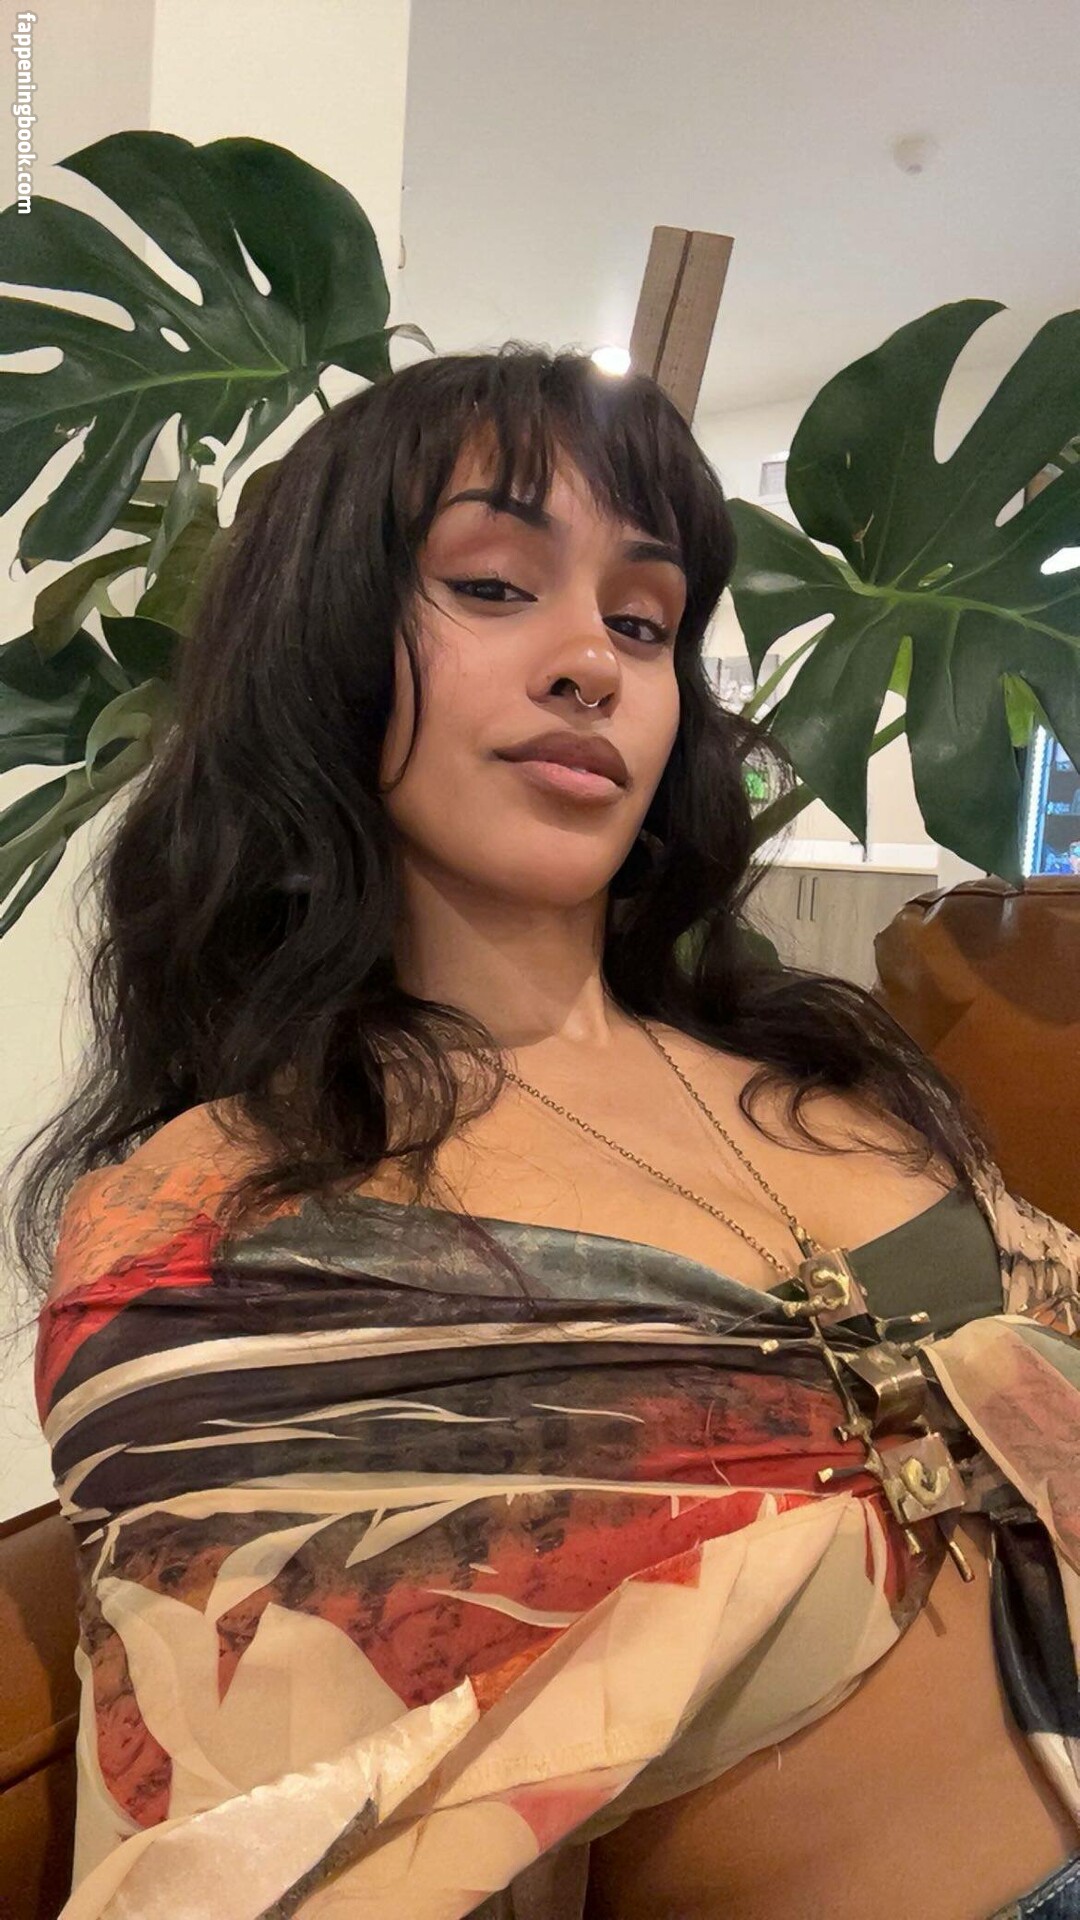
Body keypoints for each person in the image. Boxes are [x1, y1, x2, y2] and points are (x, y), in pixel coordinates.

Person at [10, 345, 1080, 1920]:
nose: (592, 662)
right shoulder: (209, 1233)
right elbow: (254, 1820)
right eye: (495, 587)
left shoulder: (830, 1072)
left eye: (643, 623)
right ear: (324, 643)